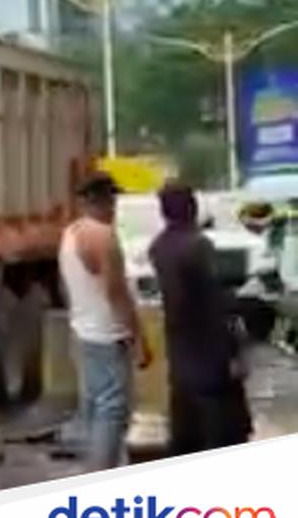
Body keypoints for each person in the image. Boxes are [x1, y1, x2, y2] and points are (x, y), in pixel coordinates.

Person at [148, 180, 252, 454]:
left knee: (186, 431)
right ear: (192, 207)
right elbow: (215, 303)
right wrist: (233, 353)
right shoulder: (198, 246)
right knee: (223, 430)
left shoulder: (159, 247)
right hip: (210, 353)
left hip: (181, 353)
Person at [59, 172, 153, 470]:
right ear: (103, 200)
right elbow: (116, 293)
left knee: (95, 408)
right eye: (112, 200)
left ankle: (102, 467)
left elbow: (66, 287)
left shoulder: (70, 234)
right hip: (107, 335)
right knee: (112, 410)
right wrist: (138, 337)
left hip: (83, 332)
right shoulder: (103, 236)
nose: (114, 208)